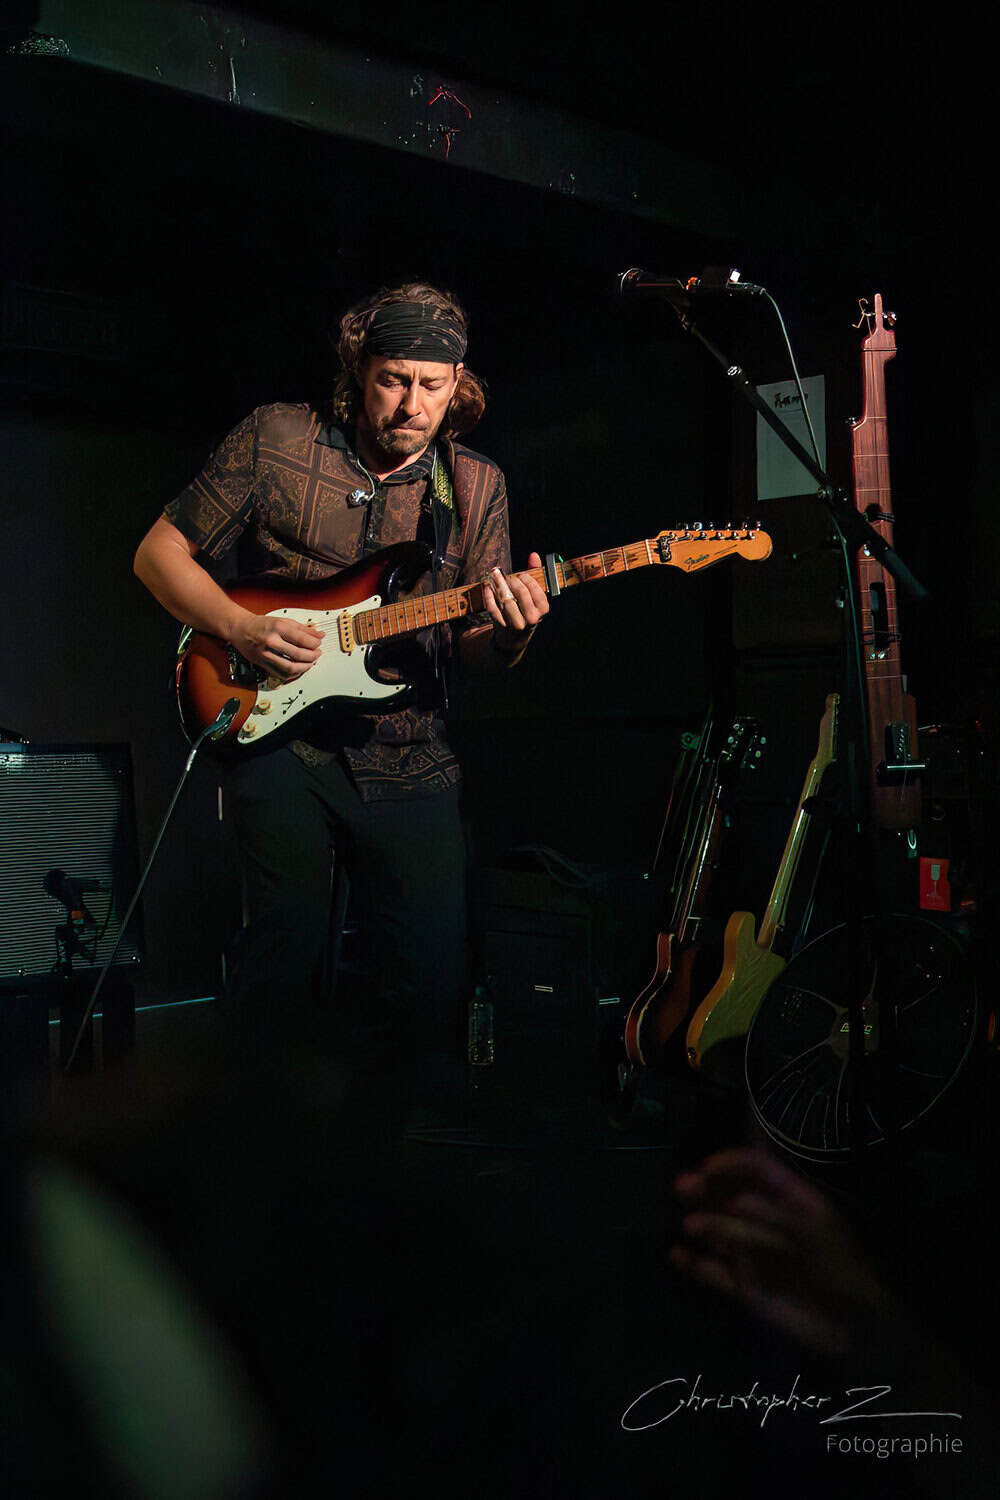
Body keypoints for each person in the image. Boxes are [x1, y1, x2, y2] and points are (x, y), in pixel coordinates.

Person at [133, 281, 548, 1122]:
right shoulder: (277, 438)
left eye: (433, 385)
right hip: (278, 734)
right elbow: (158, 553)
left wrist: (512, 633)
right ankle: (252, 1152)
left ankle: (392, 1165)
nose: (412, 405)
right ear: (360, 369)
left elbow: (475, 650)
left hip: (410, 750)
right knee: (280, 954)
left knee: (429, 977)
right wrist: (237, 628)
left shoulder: (475, 487)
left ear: (458, 383)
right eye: (393, 379)